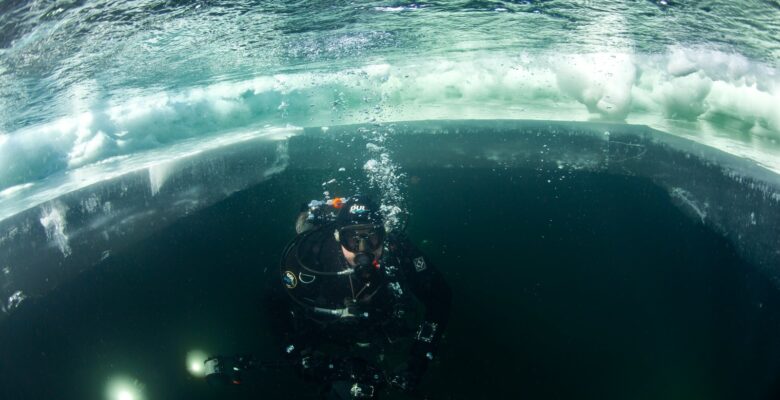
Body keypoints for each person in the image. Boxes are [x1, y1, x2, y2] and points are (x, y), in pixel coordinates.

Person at [270, 195, 452, 399]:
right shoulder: (311, 253)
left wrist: (421, 355)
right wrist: (301, 356)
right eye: (352, 239)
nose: (363, 251)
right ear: (338, 237)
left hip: (383, 330)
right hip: (328, 336)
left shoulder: (398, 249)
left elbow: (440, 295)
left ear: (384, 235)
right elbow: (275, 301)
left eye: (372, 237)